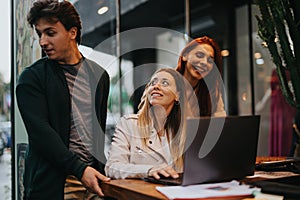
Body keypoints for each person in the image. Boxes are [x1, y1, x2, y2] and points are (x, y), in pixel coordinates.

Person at [16, 0, 110, 199]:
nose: (42, 41)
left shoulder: (99, 75)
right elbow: (41, 134)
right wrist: (79, 169)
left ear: (72, 32)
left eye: (50, 33)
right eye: (39, 33)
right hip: (56, 183)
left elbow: (97, 131)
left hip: (93, 179)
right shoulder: (32, 78)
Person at [105, 68, 195, 179]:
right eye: (153, 82)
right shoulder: (128, 124)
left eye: (165, 83)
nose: (156, 86)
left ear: (177, 95)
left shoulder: (184, 131)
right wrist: (149, 170)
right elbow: (112, 167)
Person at [175, 36, 226, 117]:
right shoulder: (166, 84)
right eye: (199, 55)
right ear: (185, 56)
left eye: (210, 61)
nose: (204, 62)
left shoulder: (212, 92)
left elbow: (220, 122)